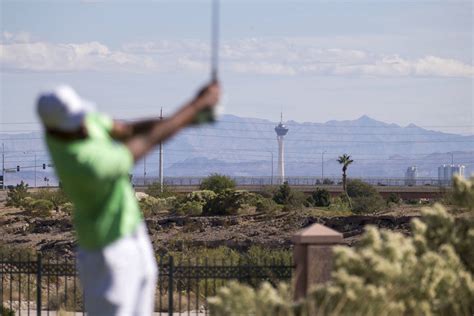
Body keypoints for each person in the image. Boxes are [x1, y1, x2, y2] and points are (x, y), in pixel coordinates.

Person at [36, 82, 220, 316]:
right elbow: (146, 142)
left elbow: (129, 129)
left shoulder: (83, 122)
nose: (83, 125)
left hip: (134, 236)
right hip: (107, 254)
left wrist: (187, 119)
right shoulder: (83, 163)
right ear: (54, 131)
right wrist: (195, 107)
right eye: (74, 124)